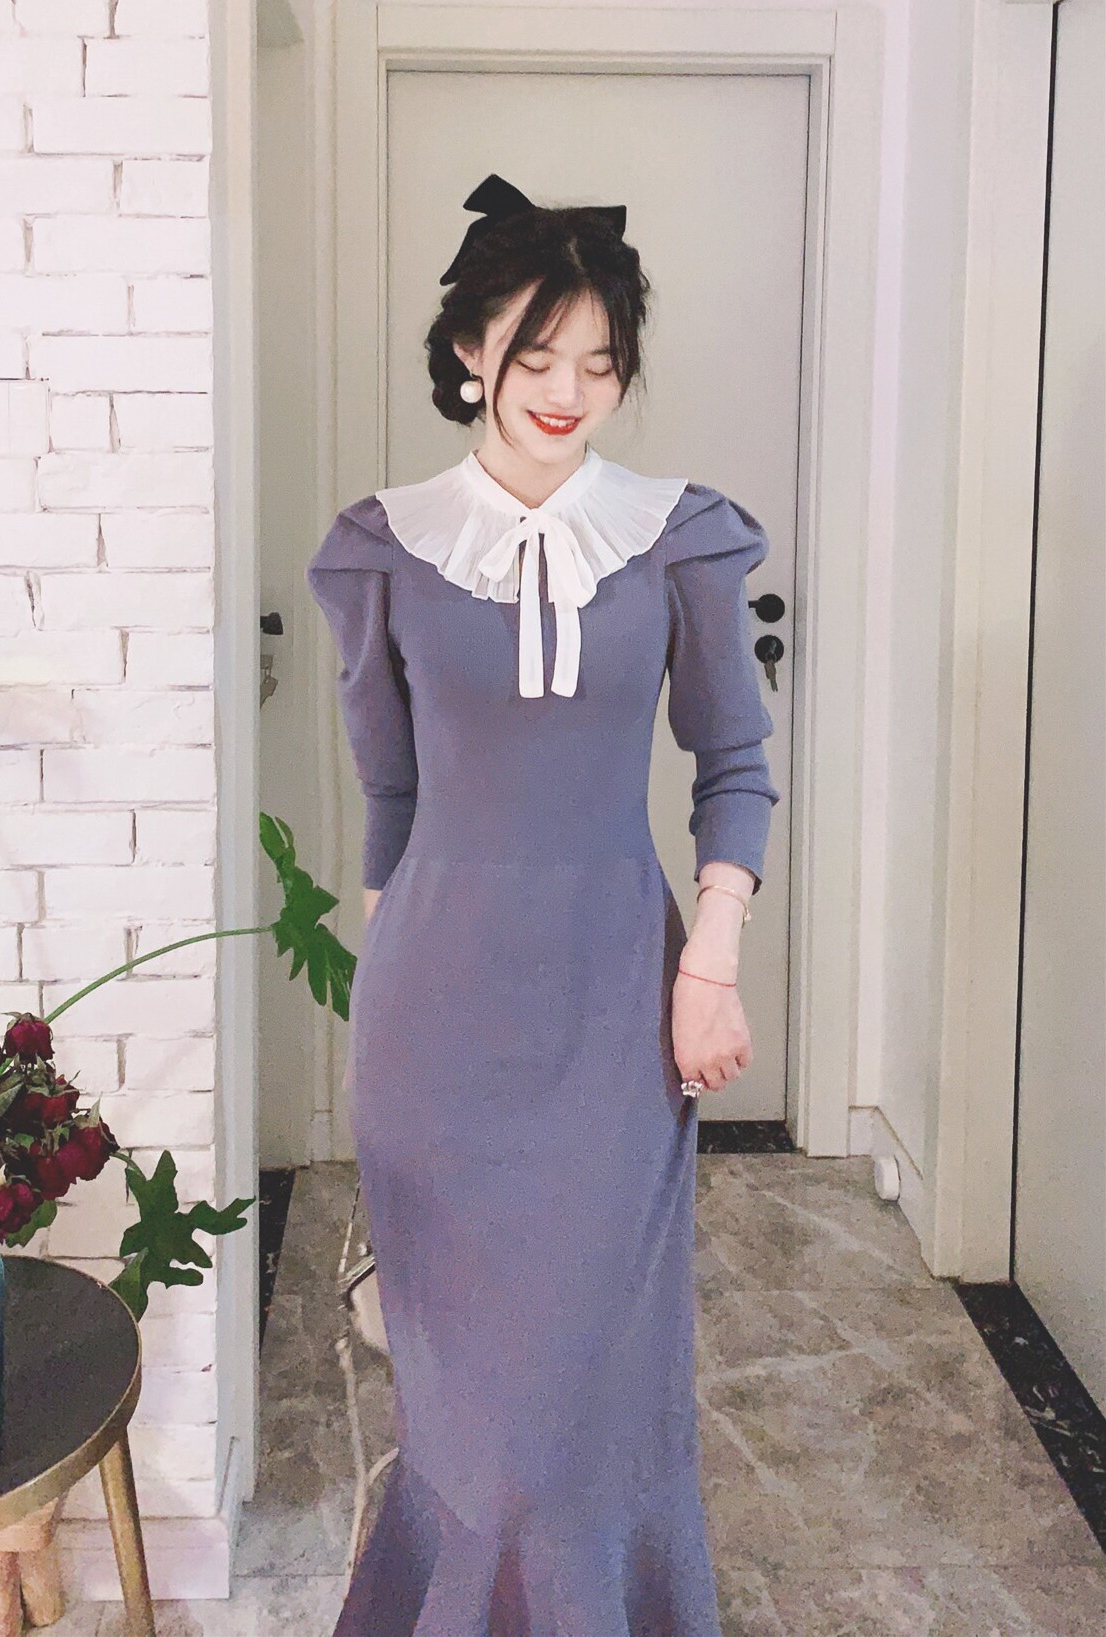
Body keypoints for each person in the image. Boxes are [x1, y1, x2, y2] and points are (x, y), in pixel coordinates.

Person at [307, 172, 780, 1636]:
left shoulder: (676, 537)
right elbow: (390, 800)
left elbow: (736, 764)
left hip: (613, 1013)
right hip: (435, 1023)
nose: (570, 392)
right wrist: (387, 1002)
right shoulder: (385, 547)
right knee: (469, 1419)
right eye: (536, 354)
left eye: (600, 361)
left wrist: (711, 965)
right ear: (470, 352)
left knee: (587, 1394)